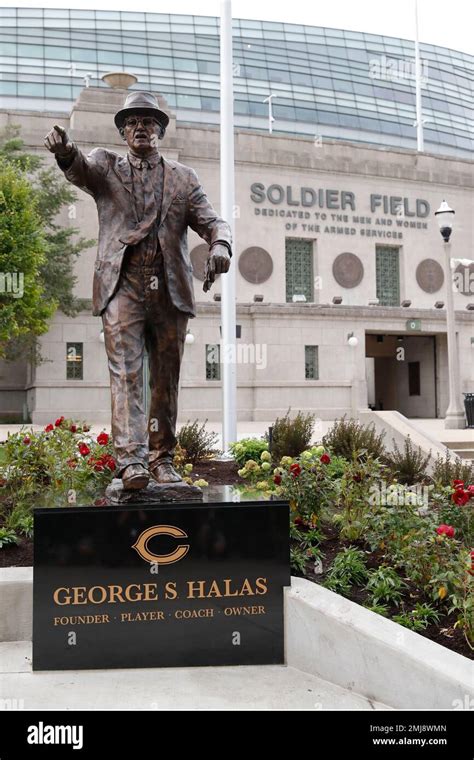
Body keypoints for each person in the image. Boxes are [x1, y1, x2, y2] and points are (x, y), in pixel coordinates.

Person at [44, 91, 232, 491]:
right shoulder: (105, 165)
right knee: (127, 373)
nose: (141, 127)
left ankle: (162, 459)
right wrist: (65, 153)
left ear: (160, 130)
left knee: (165, 377)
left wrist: (220, 245)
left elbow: (213, 220)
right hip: (123, 284)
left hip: (168, 289)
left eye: (148, 121)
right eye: (132, 122)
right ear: (123, 131)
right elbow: (79, 168)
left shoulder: (184, 177)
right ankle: (131, 462)